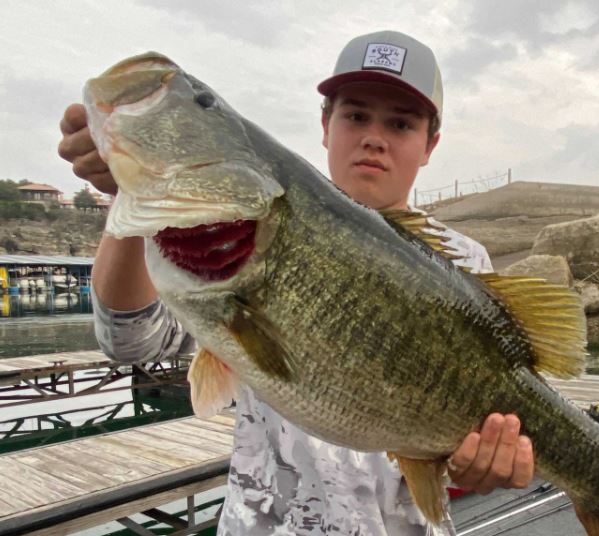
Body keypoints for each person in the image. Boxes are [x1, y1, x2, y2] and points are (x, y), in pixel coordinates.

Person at [59, 30, 534, 535]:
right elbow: (132, 340)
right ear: (326, 125)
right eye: (355, 115)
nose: (374, 137)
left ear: (430, 144)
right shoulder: (219, 238)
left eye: (400, 122)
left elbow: (492, 432)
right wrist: (129, 195)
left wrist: (487, 462)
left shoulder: (463, 262)